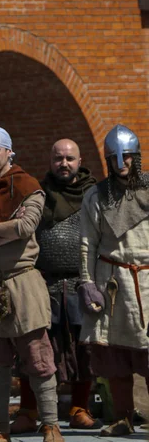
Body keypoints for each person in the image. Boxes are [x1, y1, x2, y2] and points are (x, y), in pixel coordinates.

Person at [0, 128, 62, 442]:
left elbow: (25, 227)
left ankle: (50, 425)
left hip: (21, 284)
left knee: (38, 358)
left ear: (9, 151)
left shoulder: (27, 185)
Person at [10, 139, 100, 433]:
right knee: (34, 347)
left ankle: (79, 408)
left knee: (84, 350)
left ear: (79, 160)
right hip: (43, 282)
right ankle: (28, 409)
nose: (64, 163)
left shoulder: (94, 194)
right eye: (59, 158)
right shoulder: (38, 193)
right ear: (51, 161)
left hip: (82, 282)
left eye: (69, 158)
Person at [78, 124, 149, 437]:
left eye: (128, 156)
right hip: (113, 284)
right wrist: (86, 282)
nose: (123, 163)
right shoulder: (96, 196)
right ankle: (122, 418)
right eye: (116, 158)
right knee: (116, 355)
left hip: (147, 283)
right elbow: (87, 243)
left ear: (136, 157)